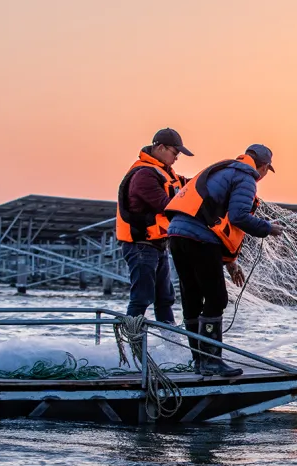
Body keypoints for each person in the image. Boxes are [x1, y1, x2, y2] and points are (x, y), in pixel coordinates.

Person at [165, 144, 284, 376]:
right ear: (263, 166)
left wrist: (230, 261)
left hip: (178, 235)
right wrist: (268, 228)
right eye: (267, 170)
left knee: (191, 297)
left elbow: (214, 214)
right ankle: (211, 361)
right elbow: (239, 216)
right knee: (216, 297)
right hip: (199, 238)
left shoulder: (225, 169)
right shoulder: (246, 177)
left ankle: (200, 361)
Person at [115, 127, 192, 326]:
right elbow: (167, 206)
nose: (176, 158)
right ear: (160, 147)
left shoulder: (164, 173)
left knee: (165, 299)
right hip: (141, 246)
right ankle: (131, 346)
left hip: (156, 245)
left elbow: (187, 186)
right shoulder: (144, 175)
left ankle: (170, 346)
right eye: (175, 153)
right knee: (141, 298)